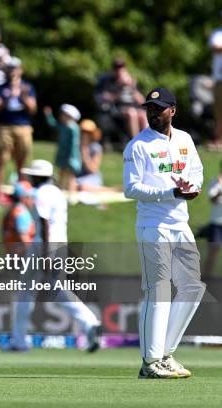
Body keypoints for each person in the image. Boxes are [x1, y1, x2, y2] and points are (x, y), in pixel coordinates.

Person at [123, 87, 206, 379]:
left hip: (180, 223)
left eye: (158, 109)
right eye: (149, 108)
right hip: (153, 226)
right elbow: (131, 188)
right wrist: (169, 192)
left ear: (173, 110)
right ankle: (149, 362)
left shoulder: (184, 139)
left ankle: (165, 355)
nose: (152, 113)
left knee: (193, 287)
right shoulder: (138, 145)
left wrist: (191, 189)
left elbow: (196, 172)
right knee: (157, 290)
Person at [4, 160, 102, 352]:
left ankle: (19, 341)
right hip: (60, 244)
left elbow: (44, 221)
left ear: (37, 177)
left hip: (44, 245)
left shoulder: (42, 193)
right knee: (54, 290)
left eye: (32, 175)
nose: (30, 178)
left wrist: (46, 254)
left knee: (29, 290)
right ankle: (90, 323)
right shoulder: (57, 192)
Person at [0, 57, 37, 201]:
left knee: (22, 162)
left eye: (15, 68)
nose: (12, 71)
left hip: (23, 126)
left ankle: (21, 192)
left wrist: (23, 96)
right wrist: (8, 96)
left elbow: (33, 108)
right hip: (5, 126)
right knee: (1, 160)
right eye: (10, 68)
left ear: (20, 70)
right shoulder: (1, 88)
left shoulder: (27, 87)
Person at [94, 58, 147, 142]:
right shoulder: (109, 82)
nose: (119, 70)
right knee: (132, 113)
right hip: (118, 109)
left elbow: (142, 101)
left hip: (134, 108)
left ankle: (146, 141)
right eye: (117, 68)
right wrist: (120, 87)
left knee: (143, 115)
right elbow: (105, 98)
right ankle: (136, 142)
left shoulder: (131, 82)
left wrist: (132, 87)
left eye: (121, 67)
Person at [44, 104, 81, 199]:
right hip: (62, 155)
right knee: (61, 174)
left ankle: (71, 196)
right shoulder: (64, 126)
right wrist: (49, 115)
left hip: (70, 157)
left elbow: (73, 145)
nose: (61, 116)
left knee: (70, 177)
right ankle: (59, 193)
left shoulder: (73, 128)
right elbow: (53, 124)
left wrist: (71, 158)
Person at [203, 161, 222, 278]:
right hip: (217, 223)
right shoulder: (215, 182)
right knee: (213, 251)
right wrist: (219, 189)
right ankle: (206, 278)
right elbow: (213, 200)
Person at [209, 28, 222, 151]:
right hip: (220, 80)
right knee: (219, 112)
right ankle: (218, 140)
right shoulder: (218, 34)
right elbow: (215, 47)